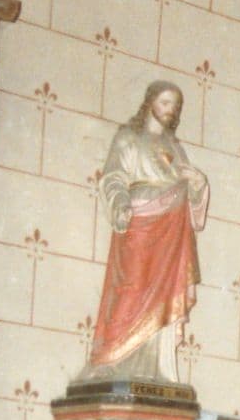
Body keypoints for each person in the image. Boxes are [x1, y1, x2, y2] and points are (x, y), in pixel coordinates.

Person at [80, 80, 211, 383]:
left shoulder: (175, 148)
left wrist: (198, 185)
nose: (170, 110)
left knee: (164, 296)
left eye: (175, 106)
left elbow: (190, 196)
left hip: (172, 231)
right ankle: (115, 359)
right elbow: (113, 176)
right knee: (131, 289)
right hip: (140, 224)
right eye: (165, 103)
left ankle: (156, 369)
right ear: (150, 102)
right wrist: (120, 203)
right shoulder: (129, 138)